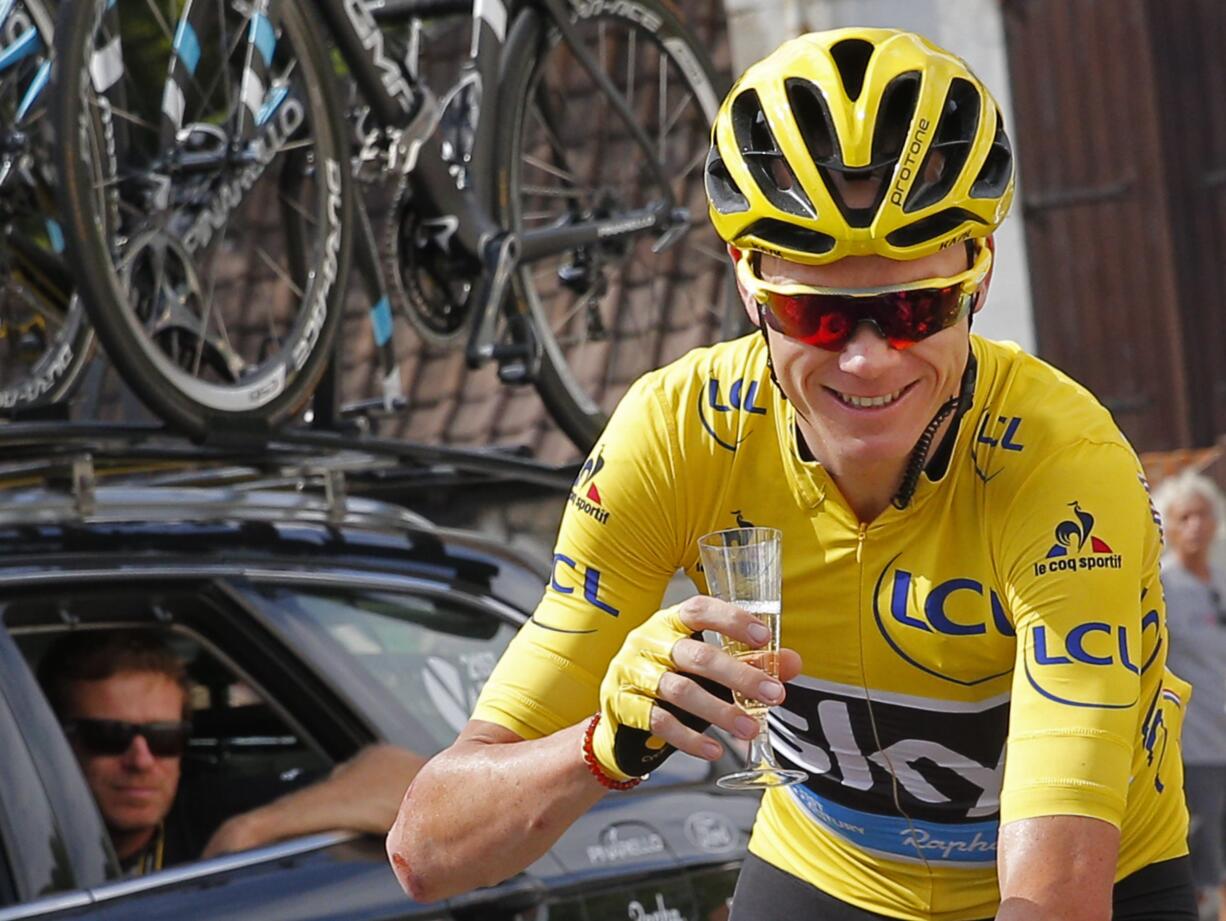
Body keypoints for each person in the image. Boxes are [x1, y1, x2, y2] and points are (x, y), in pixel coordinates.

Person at [386, 27, 1195, 921]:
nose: (867, 361)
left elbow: (1054, 899)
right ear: (748, 288)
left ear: (979, 279)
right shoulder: (678, 438)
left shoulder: (1063, 466)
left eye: (916, 309)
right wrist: (599, 746)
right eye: (816, 317)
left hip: (1097, 877)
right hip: (829, 867)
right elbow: (427, 850)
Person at [39, 629, 425, 876]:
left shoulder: (209, 808)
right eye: (109, 736)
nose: (141, 760)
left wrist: (250, 830)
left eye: (164, 738)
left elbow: (409, 780)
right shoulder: (20, 836)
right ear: (53, 742)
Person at [1155, 471, 1226, 919]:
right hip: (1194, 743)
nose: (1195, 526)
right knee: (1202, 851)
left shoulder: (1220, 578)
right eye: (1184, 517)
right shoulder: (1162, 586)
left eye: (1202, 515)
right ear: (1169, 526)